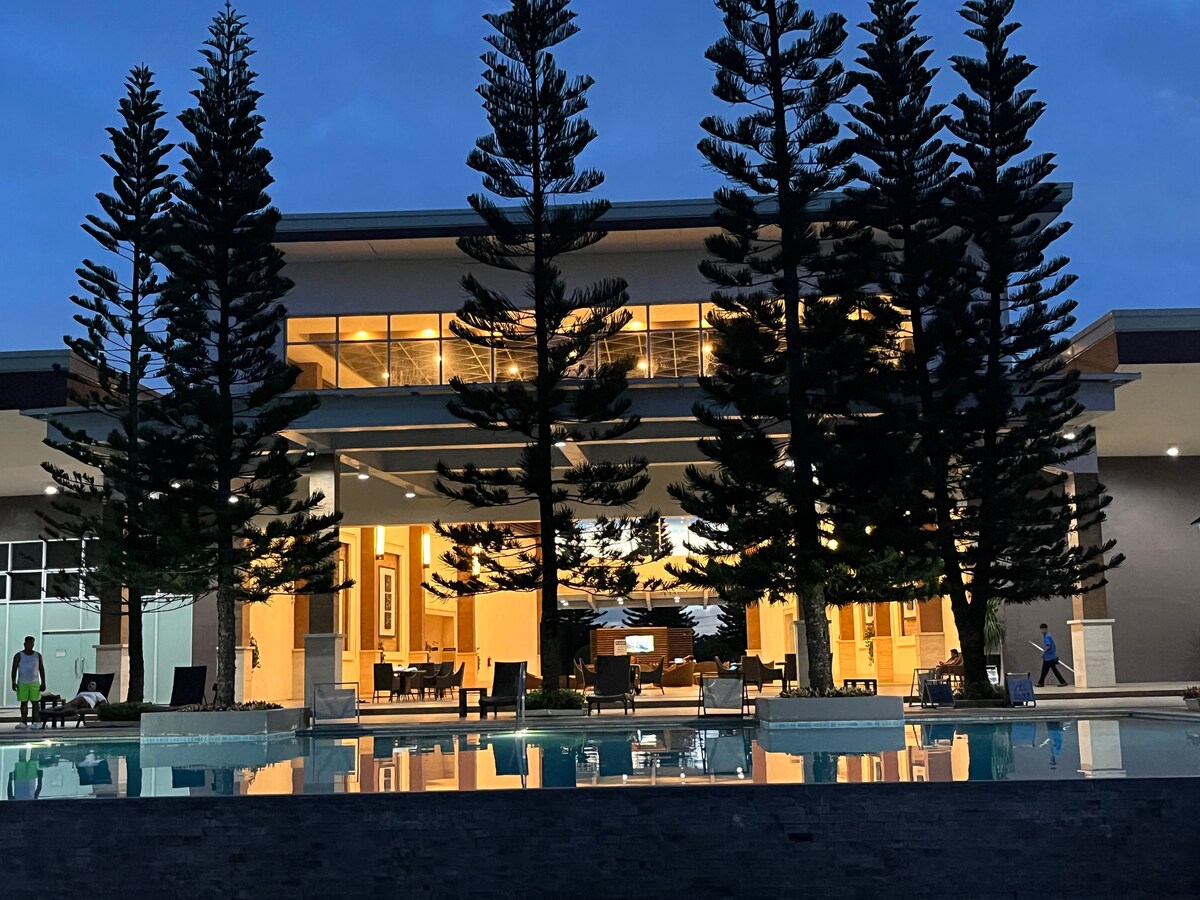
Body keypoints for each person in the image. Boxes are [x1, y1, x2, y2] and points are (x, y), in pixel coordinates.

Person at [10, 635, 46, 730]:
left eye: (32, 643)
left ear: (33, 644)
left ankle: (36, 722)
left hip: (34, 682)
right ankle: (24, 722)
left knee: (35, 703)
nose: (30, 645)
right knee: (23, 703)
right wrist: (13, 681)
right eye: (28, 643)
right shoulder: (18, 655)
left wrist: (43, 682)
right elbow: (14, 669)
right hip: (22, 683)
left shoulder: (37, 656)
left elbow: (41, 669)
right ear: (24, 644)